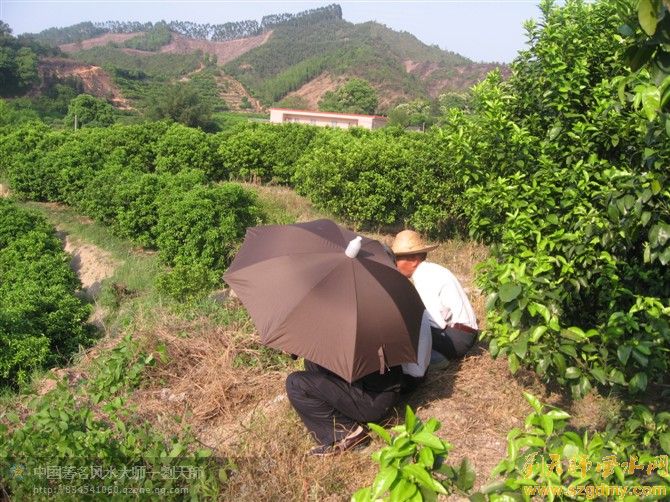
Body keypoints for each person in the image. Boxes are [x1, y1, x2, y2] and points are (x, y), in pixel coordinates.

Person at [285, 311, 432, 456]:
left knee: (295, 383)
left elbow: (334, 350)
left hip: (374, 400)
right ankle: (339, 416)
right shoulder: (369, 315)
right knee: (312, 363)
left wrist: (299, 343)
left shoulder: (352, 324)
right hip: (384, 386)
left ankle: (350, 435)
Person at [392, 229, 479, 362]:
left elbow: (435, 322)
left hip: (457, 339)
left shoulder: (423, 277)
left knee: (404, 330)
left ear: (414, 260)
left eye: (398, 259)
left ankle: (434, 359)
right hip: (464, 335)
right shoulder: (431, 270)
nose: (395, 264)